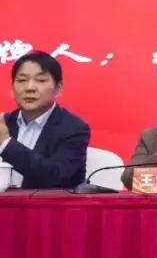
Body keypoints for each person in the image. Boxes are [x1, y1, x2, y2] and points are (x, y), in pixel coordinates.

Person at [0, 51, 90, 189]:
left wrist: (6, 143)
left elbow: (56, 177)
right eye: (22, 80)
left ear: (58, 89)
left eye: (40, 80)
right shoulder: (5, 124)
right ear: (12, 88)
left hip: (48, 203)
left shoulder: (73, 128)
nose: (29, 88)